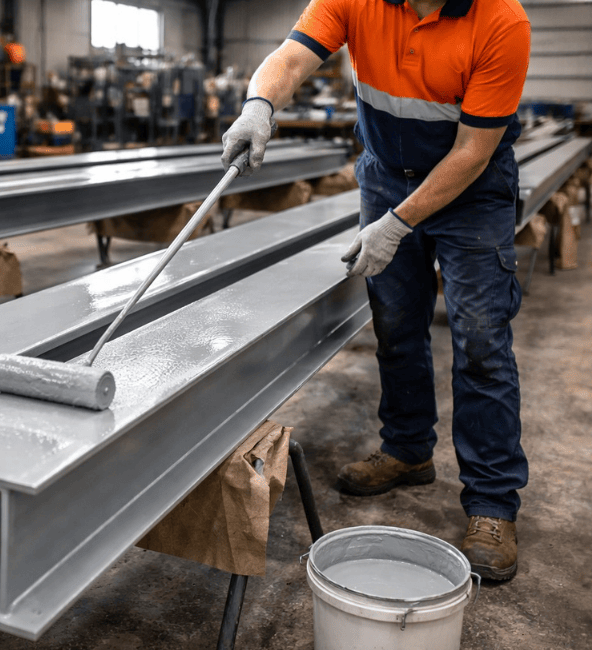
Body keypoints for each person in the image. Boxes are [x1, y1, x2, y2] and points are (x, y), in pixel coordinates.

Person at [220, 0, 530, 581]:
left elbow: (472, 151)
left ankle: (492, 502)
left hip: (473, 187)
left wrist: (398, 222)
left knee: (481, 341)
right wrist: (259, 104)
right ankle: (408, 450)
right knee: (395, 324)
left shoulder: (500, 22)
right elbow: (291, 57)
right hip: (386, 173)